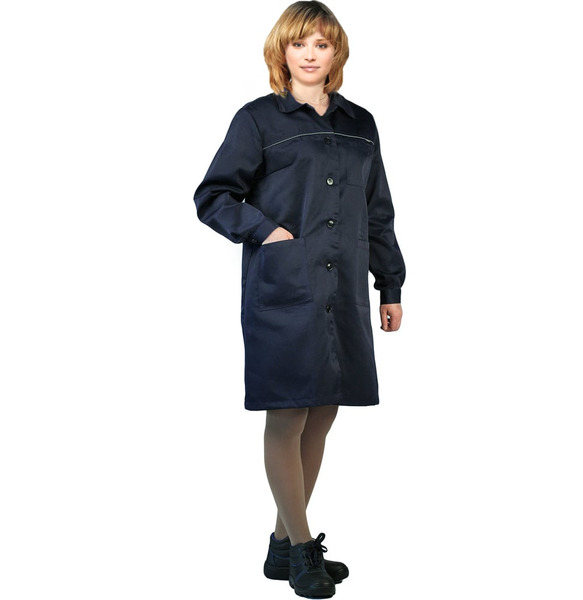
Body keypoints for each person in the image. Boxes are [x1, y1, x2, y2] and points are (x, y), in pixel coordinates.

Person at [193, 1, 405, 597]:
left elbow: (378, 210)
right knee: (288, 412)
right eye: (299, 43)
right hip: (285, 287)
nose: (311, 54)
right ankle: (304, 548)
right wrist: (267, 231)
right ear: (281, 51)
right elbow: (213, 196)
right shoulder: (258, 119)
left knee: (326, 409)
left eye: (322, 44)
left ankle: (283, 547)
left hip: (344, 286)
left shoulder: (360, 123)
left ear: (337, 52)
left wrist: (390, 283)